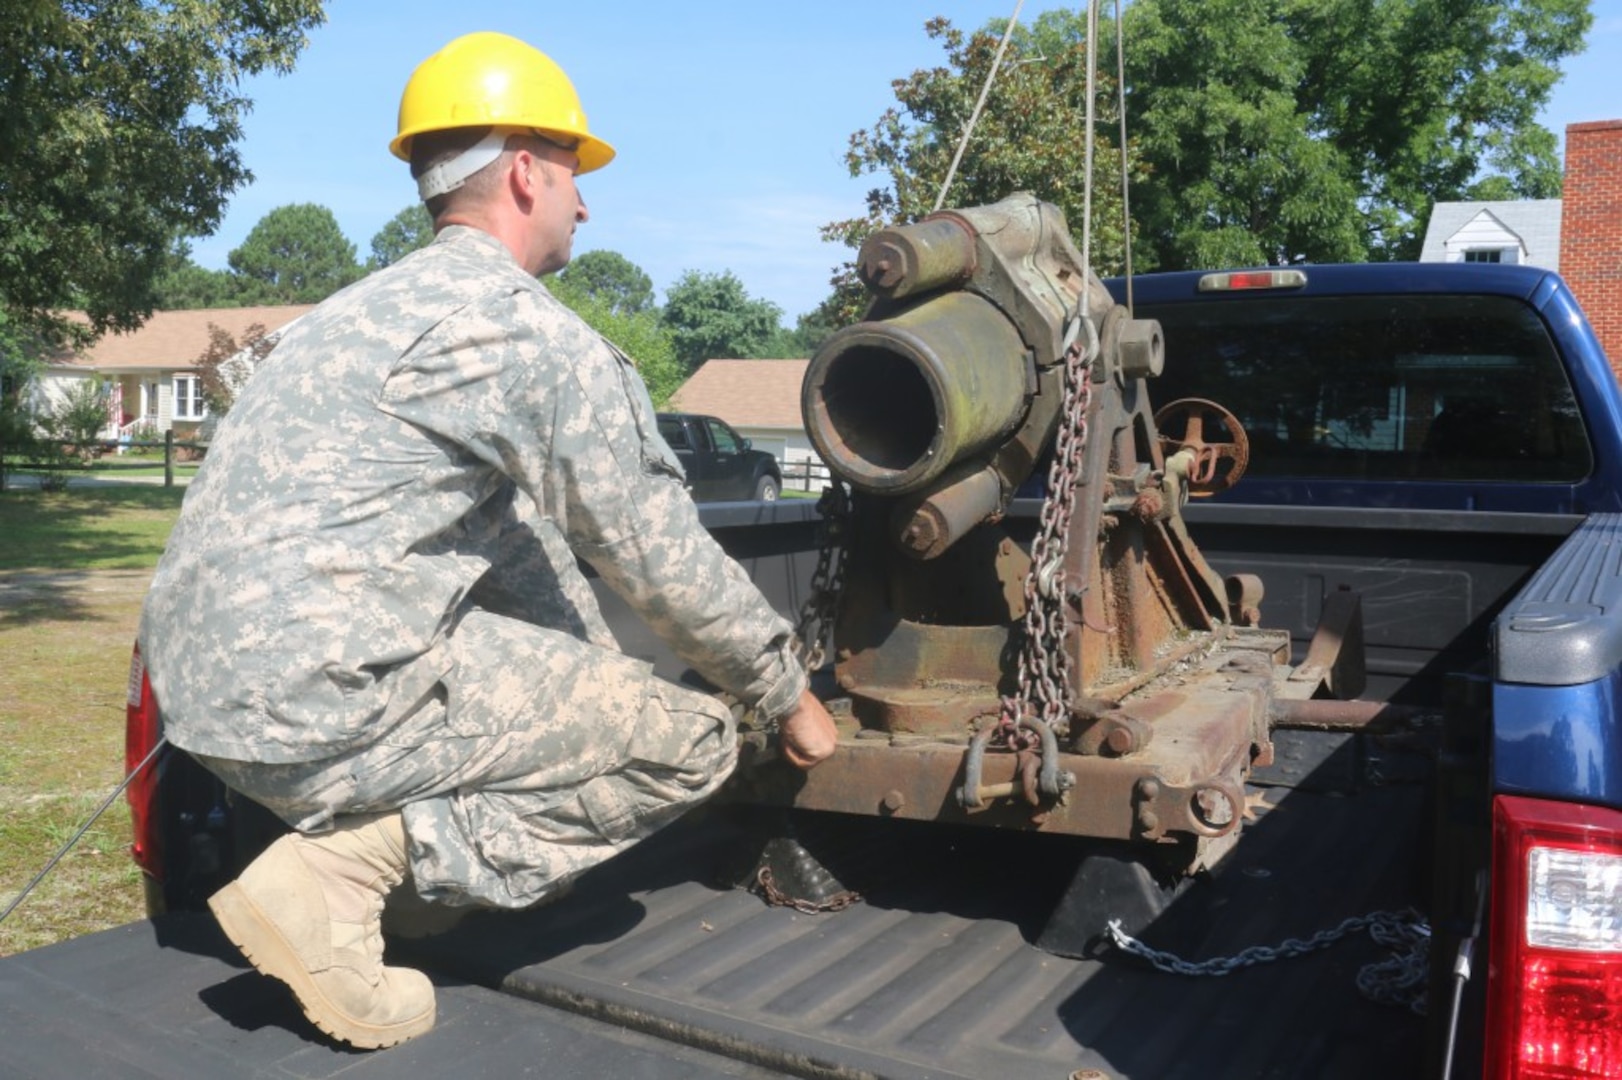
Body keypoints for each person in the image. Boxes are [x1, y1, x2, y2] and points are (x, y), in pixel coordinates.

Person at [137, 30, 838, 1051]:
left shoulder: (344, 314)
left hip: (197, 699)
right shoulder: (522, 330)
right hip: (319, 698)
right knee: (692, 742)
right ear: (522, 173)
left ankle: (387, 888)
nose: (583, 203)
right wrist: (785, 697)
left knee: (597, 699)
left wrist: (595, 681)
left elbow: (506, 542)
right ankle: (340, 880)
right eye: (571, 176)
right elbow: (657, 554)